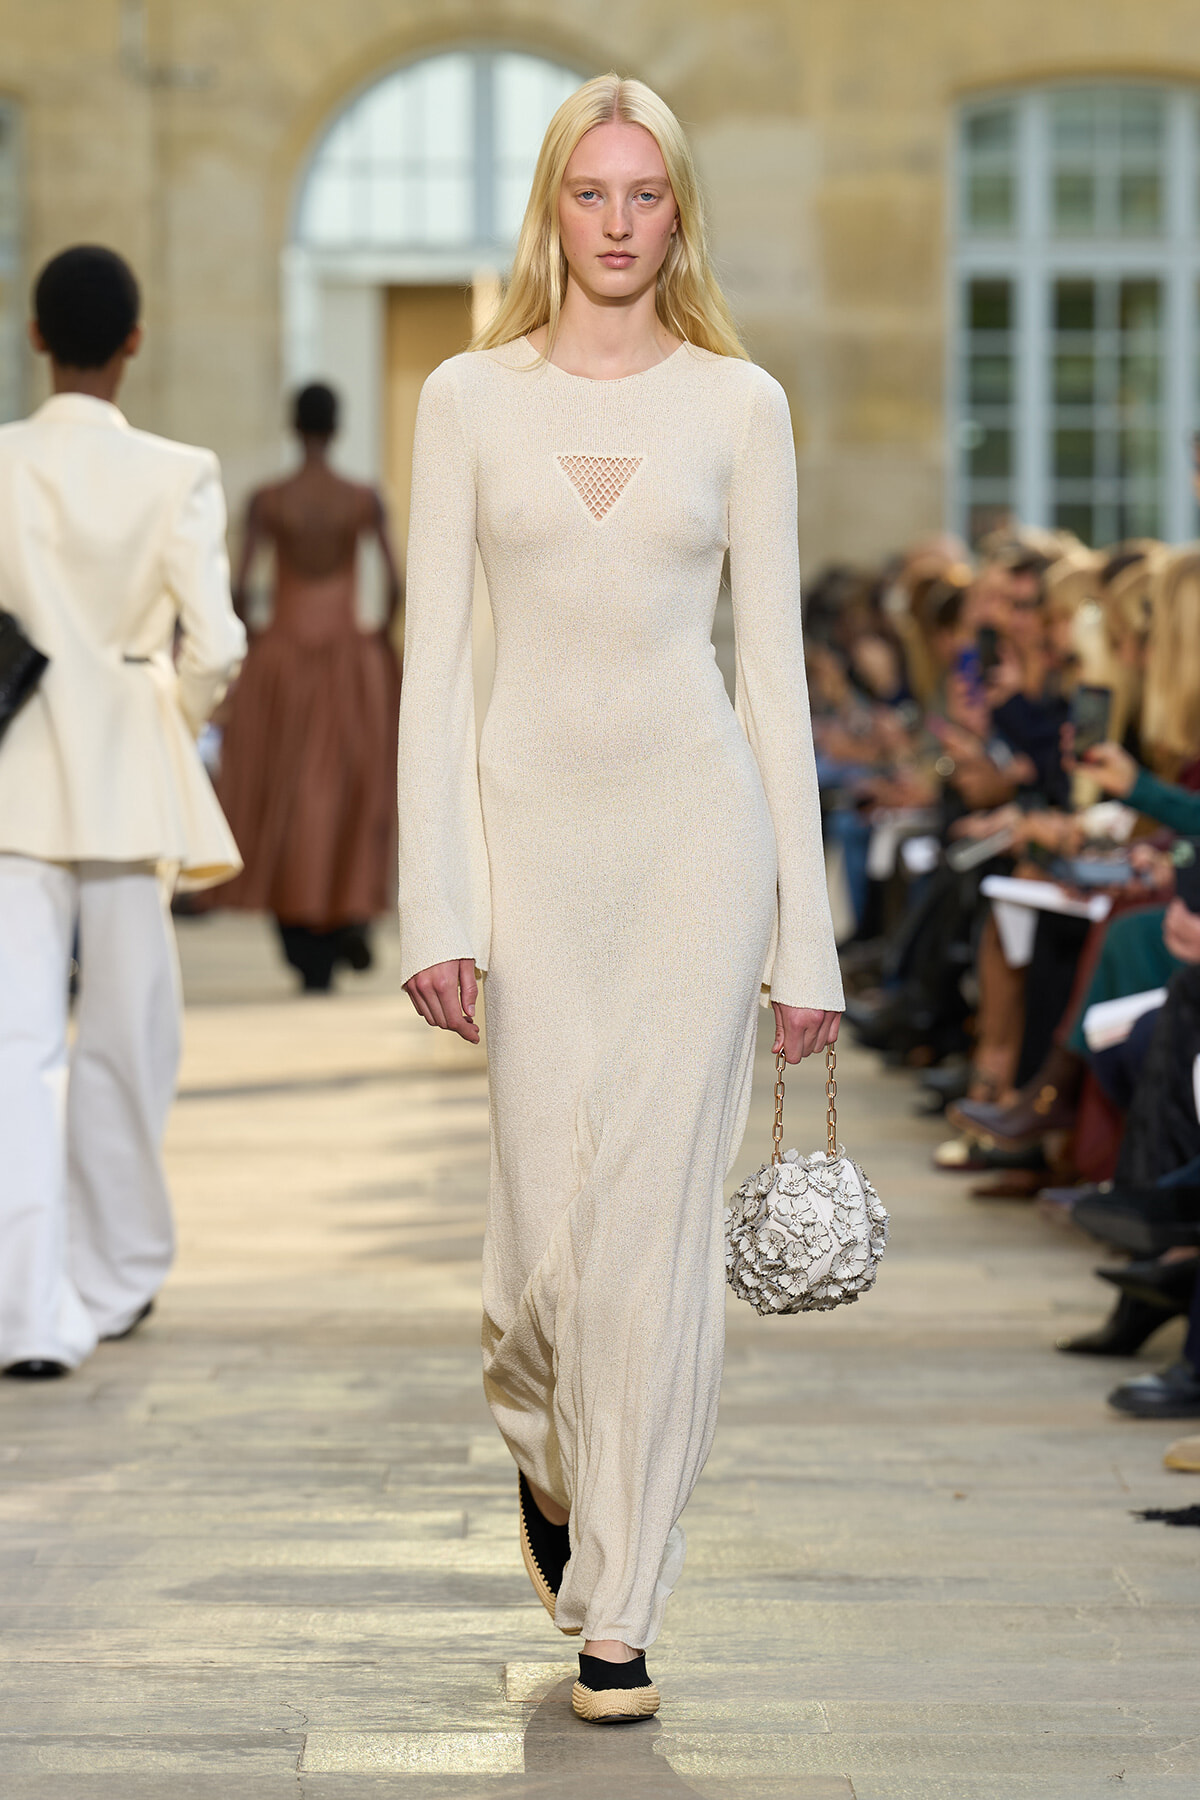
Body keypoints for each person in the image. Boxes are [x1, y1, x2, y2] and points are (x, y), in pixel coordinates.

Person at [396, 74, 842, 1722]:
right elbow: (431, 671)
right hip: (525, 850)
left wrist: (807, 941)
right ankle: (554, 1454)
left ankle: (621, 1612)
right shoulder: (465, 399)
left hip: (693, 848)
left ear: (678, 214)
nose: (617, 221)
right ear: (551, 207)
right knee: (537, 1260)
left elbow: (776, 682)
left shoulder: (740, 405)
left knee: (649, 1235)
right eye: (590, 191)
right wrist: (433, 907)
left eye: (645, 194)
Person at [0, 245, 245, 1379]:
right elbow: (219, 644)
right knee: (129, 1041)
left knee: (16, 1051)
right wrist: (167, 714)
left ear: (36, 337)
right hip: (130, 782)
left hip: (14, 777)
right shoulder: (177, 471)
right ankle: (115, 1273)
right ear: (134, 343)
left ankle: (26, 1311)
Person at [210, 384, 401, 991]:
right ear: (336, 427)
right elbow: (395, 580)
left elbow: (241, 586)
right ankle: (347, 914)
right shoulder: (361, 499)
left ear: (295, 427)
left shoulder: (269, 501)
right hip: (348, 655)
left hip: (284, 656)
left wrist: (258, 638)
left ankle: (303, 932)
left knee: (288, 792)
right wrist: (376, 637)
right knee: (348, 788)